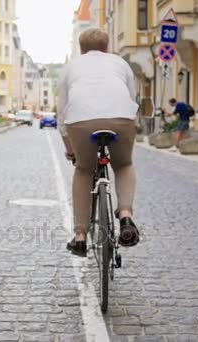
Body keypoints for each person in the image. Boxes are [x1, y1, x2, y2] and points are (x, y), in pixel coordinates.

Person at [58, 28, 140, 257]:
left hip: (80, 120)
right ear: (107, 47)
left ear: (82, 48)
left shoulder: (70, 67)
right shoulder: (120, 63)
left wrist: (69, 149)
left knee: (84, 169)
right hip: (121, 118)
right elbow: (132, 99)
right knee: (123, 164)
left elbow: (62, 114)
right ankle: (125, 215)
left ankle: (81, 237)